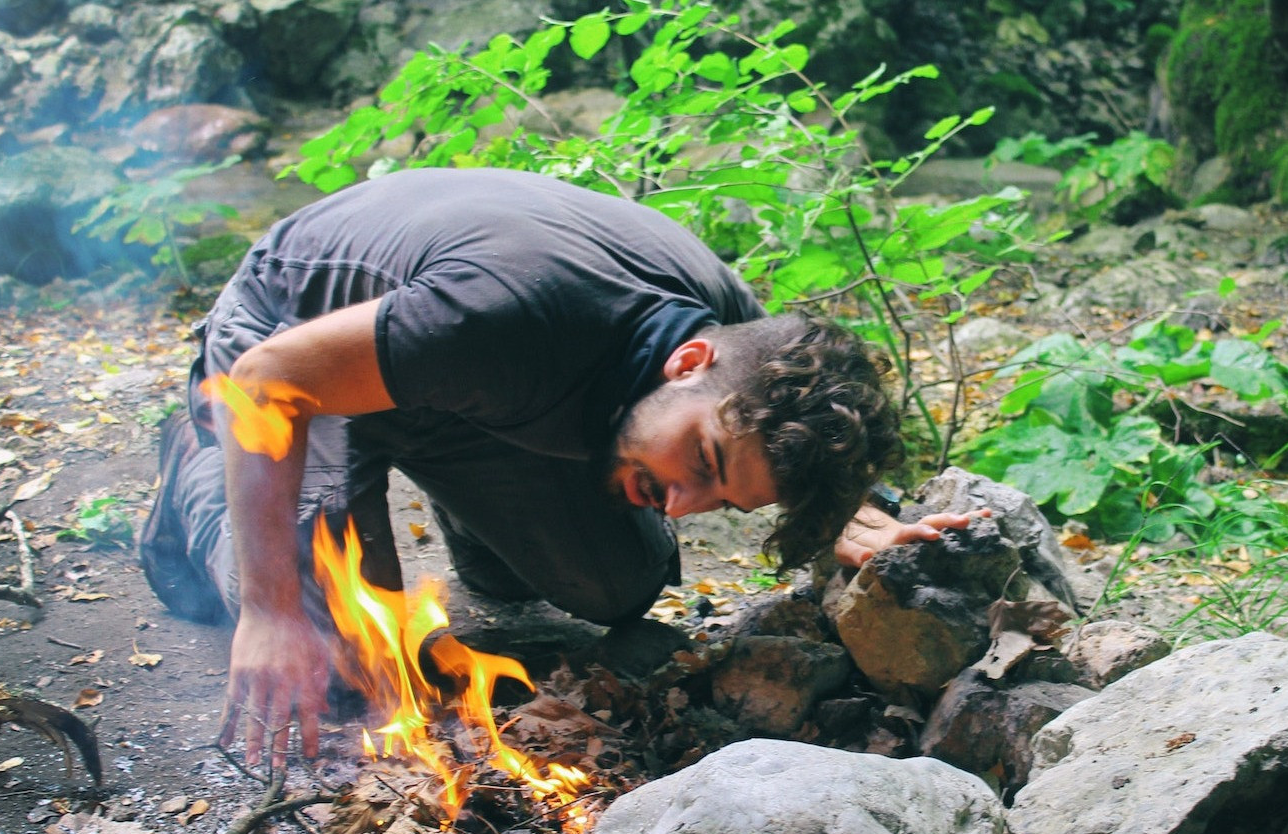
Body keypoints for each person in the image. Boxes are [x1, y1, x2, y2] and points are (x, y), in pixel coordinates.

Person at [140, 167, 974, 769]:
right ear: (685, 363)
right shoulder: (506, 315)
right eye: (703, 462)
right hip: (296, 353)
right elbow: (269, 383)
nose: (681, 505)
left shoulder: (742, 356)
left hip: (455, 386)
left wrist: (842, 515)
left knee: (615, 584)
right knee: (335, 659)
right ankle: (198, 474)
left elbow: (787, 423)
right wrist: (269, 606)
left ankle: (465, 497)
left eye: (723, 497)